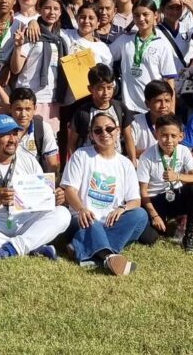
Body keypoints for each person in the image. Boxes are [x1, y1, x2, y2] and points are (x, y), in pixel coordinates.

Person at [0, 113, 69, 262]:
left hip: (26, 221)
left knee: (63, 214)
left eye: (15, 134)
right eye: (6, 135)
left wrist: (54, 198)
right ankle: (31, 246)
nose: (12, 139)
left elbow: (41, 201)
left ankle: (9, 250)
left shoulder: (28, 159)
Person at [62, 112, 147, 276]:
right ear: (91, 135)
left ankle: (81, 247)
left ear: (118, 131)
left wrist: (122, 208)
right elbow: (69, 191)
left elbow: (135, 200)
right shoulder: (81, 155)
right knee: (91, 221)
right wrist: (81, 209)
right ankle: (108, 257)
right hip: (83, 219)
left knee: (140, 215)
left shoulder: (126, 163)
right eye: (98, 130)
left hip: (109, 222)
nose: (104, 134)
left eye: (109, 129)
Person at [136, 114, 193, 254]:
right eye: (164, 135)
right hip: (156, 199)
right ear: (156, 135)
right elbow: (143, 191)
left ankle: (189, 236)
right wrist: (154, 216)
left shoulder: (184, 151)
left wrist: (177, 176)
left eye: (173, 135)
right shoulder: (146, 156)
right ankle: (163, 222)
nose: (169, 140)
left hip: (176, 194)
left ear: (181, 136)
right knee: (149, 238)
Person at [110, 0, 180, 117]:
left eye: (145, 14)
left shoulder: (162, 44)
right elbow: (105, 54)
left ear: (156, 15)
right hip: (129, 108)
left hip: (154, 108)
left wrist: (170, 113)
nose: (141, 19)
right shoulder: (124, 40)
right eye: (136, 15)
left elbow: (169, 81)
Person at [10, 0, 68, 132]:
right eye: (47, 8)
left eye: (56, 8)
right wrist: (18, 47)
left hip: (52, 98)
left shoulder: (61, 37)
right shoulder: (31, 33)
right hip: (29, 97)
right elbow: (16, 69)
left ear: (61, 12)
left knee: (48, 142)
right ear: (40, 9)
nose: (52, 12)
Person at [70, 64, 132, 159]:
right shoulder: (83, 112)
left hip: (115, 161)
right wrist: (75, 162)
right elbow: (71, 143)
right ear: (90, 89)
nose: (106, 93)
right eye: (100, 88)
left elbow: (128, 138)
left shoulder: (120, 108)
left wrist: (133, 161)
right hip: (90, 162)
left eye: (109, 88)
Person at [127, 80, 175, 157]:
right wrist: (159, 152)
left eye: (167, 101)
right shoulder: (135, 122)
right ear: (147, 103)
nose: (163, 105)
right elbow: (130, 151)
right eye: (158, 101)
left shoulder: (176, 124)